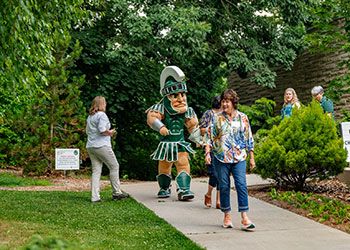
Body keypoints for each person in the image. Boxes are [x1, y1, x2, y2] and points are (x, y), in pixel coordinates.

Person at [146, 66, 199, 201]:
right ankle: (164, 187)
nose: (181, 99)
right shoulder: (160, 108)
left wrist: (198, 138)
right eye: (175, 95)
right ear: (167, 96)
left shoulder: (188, 111)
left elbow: (192, 126)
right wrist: (160, 127)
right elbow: (152, 118)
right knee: (164, 166)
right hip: (166, 144)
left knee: (183, 163)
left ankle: (184, 189)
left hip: (180, 143)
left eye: (183, 94)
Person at [205, 89, 255, 231]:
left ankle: (244, 217)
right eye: (223, 101)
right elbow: (209, 137)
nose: (224, 104)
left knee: (241, 184)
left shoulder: (243, 118)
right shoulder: (216, 118)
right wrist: (207, 153)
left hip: (239, 157)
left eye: (227, 101)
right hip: (221, 157)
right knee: (224, 186)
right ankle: (227, 215)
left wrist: (252, 157)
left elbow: (249, 138)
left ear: (233, 102)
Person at [86, 96, 129, 203]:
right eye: (104, 103)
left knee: (96, 171)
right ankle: (117, 192)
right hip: (101, 146)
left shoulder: (90, 117)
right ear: (101, 104)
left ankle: (95, 197)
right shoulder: (102, 115)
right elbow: (102, 130)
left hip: (91, 146)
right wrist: (110, 132)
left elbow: (87, 131)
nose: (105, 105)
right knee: (114, 166)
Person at [199, 95, 221, 209]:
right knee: (214, 174)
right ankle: (208, 194)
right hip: (210, 146)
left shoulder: (226, 114)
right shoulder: (209, 113)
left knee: (222, 175)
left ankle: (218, 200)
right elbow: (201, 129)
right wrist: (208, 129)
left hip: (222, 148)